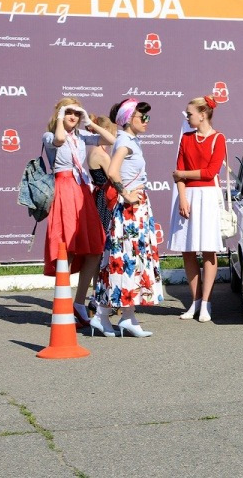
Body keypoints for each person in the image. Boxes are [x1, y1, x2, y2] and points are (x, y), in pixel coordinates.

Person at [42, 99, 116, 328]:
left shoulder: (82, 135)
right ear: (60, 113)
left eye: (76, 112)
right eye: (69, 112)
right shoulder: (49, 135)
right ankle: (62, 305)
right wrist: (61, 116)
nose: (73, 116)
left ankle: (79, 303)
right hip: (64, 191)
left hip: (83, 192)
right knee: (68, 250)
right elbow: (59, 139)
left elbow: (111, 140)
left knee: (95, 247)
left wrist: (88, 122)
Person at [94, 98, 162, 337]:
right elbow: (112, 171)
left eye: (147, 116)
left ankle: (121, 316)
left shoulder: (129, 139)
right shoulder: (126, 141)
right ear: (128, 119)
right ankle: (113, 317)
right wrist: (126, 193)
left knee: (127, 260)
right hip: (130, 209)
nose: (146, 121)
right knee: (126, 260)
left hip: (137, 208)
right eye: (142, 117)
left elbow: (115, 141)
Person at [169, 95, 226, 323]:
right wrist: (182, 197)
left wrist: (183, 175)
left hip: (208, 196)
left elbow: (210, 172)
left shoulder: (218, 138)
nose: (187, 116)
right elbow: (178, 170)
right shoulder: (186, 138)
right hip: (188, 196)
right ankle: (194, 302)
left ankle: (206, 303)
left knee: (209, 250)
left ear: (202, 115)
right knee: (188, 250)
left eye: (190, 113)